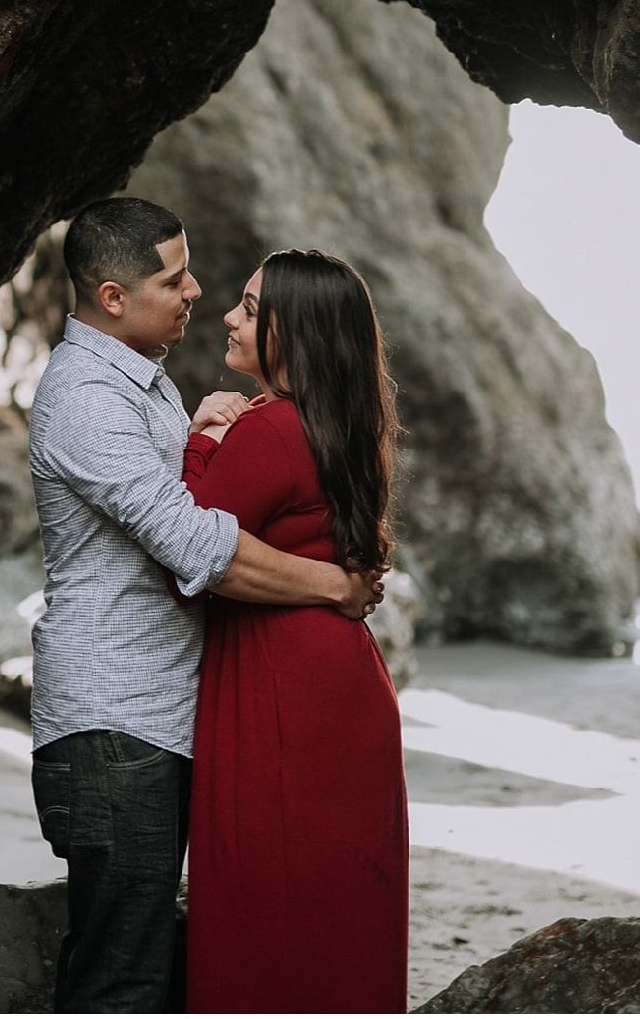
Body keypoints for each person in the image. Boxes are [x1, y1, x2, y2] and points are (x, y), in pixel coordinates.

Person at [26, 198, 387, 1013]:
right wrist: (337, 585)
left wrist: (197, 430)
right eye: (175, 278)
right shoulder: (85, 394)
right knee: (124, 976)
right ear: (113, 297)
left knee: (147, 958)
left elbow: (179, 496)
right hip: (115, 722)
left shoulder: (139, 381)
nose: (198, 293)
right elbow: (194, 544)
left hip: (157, 718)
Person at [178, 249, 410, 1013]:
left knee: (262, 891)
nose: (229, 318)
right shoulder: (343, 424)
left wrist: (203, 435)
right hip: (339, 678)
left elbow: (188, 536)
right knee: (338, 899)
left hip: (281, 684)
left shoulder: (271, 429)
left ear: (295, 331)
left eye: (250, 308)